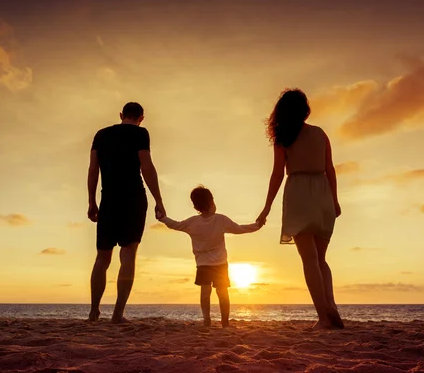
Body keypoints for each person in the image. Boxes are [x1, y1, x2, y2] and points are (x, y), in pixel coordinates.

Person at [256, 89, 344, 330]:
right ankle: (332, 305)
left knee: (309, 260)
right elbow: (330, 170)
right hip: (323, 194)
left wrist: (266, 208)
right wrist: (334, 201)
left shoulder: (284, 137)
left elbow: (276, 175)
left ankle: (324, 318)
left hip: (298, 195)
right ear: (305, 109)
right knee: (321, 259)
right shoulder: (320, 134)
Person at [87, 102, 166, 323]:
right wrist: (159, 200)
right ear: (141, 118)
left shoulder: (101, 134)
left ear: (121, 115)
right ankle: (118, 314)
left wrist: (91, 201)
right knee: (128, 254)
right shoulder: (140, 133)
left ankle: (94, 312)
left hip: (108, 198)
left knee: (102, 257)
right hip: (133, 198)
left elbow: (93, 170)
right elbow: (146, 167)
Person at [157, 185, 261, 327]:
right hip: (217, 264)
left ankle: (208, 320)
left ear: (195, 206)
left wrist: (162, 218)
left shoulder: (193, 222)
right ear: (211, 202)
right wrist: (257, 225)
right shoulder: (220, 220)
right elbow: (240, 229)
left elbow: (174, 224)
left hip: (205, 264)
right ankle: (224, 323)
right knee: (222, 293)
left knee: (206, 294)